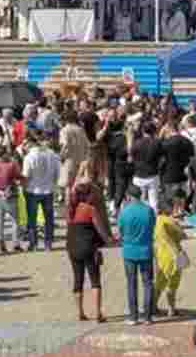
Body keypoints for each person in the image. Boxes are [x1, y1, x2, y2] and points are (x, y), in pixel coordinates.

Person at [66, 180, 112, 322]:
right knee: (95, 280)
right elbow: (101, 230)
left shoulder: (70, 210)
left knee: (78, 280)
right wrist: (110, 240)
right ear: (88, 195)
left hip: (72, 247)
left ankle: (80, 313)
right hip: (89, 247)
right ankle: (98, 313)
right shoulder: (90, 210)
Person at [118, 185, 157, 325]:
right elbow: (153, 226)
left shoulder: (124, 212)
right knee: (148, 283)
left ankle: (133, 316)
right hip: (146, 250)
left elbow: (121, 231)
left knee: (131, 284)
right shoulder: (149, 211)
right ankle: (148, 316)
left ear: (129, 196)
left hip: (129, 251)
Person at [22, 133, 60, 252]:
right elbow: (57, 173)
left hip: (32, 190)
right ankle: (48, 243)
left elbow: (26, 175)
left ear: (30, 143)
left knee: (32, 219)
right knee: (49, 218)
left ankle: (33, 243)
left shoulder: (29, 157)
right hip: (48, 189)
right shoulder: (52, 154)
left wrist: (23, 186)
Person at [152, 194, 188, 317]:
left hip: (160, 255)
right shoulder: (171, 221)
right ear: (169, 209)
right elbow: (183, 235)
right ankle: (171, 309)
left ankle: (153, 306)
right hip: (174, 255)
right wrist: (177, 222)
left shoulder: (156, 220)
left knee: (159, 282)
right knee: (172, 284)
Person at [0, 149, 23, 254]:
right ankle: (15, 244)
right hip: (11, 195)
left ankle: (1, 243)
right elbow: (18, 177)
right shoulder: (11, 165)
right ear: (3, 155)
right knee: (15, 221)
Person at [129, 123, 163, 212]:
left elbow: (130, 158)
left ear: (143, 131)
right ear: (154, 131)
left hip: (139, 175)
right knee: (154, 202)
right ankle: (154, 222)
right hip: (153, 174)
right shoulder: (157, 143)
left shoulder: (136, 143)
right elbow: (162, 159)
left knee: (138, 201)